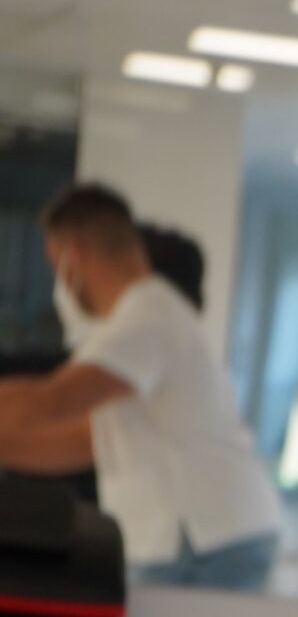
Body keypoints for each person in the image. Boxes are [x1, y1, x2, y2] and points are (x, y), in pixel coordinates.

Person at [0, 185, 281, 591]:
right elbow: (86, 441)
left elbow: (51, 401)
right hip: (200, 536)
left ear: (73, 254)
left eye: (54, 265)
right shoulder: (133, 322)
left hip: (205, 540)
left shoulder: (147, 315)